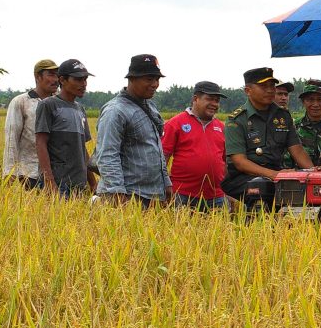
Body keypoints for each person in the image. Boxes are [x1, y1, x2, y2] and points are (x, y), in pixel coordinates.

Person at [222, 67, 313, 205]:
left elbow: (297, 150)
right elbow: (240, 162)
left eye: (272, 86)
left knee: (308, 191)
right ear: (248, 91)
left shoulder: (283, 116)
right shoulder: (236, 120)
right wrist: (275, 175)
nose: (270, 90)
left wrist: (312, 174)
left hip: (276, 174)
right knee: (264, 188)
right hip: (243, 178)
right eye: (264, 86)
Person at [94, 54, 173, 206]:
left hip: (153, 195)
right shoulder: (115, 111)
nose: (155, 84)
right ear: (131, 79)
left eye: (157, 79)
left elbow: (156, 148)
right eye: (149, 79)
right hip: (128, 196)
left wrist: (166, 183)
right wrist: (117, 194)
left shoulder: (150, 106)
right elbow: (107, 155)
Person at [162, 81, 228, 211]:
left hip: (216, 197)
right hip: (182, 195)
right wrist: (165, 187)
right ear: (195, 99)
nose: (214, 104)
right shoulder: (175, 123)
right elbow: (162, 158)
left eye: (217, 100)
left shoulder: (222, 127)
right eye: (209, 99)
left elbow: (226, 161)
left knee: (219, 231)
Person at [34, 59, 96, 197]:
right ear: (62, 80)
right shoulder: (48, 105)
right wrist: (49, 181)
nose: (84, 84)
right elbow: (40, 143)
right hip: (58, 183)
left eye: (85, 79)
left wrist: (92, 183)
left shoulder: (80, 109)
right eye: (78, 79)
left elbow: (82, 149)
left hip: (78, 184)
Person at [2, 59, 59, 188]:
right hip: (29, 173)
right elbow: (11, 139)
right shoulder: (21, 102)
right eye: (51, 74)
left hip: (57, 173)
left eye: (57, 75)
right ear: (38, 76)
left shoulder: (60, 104)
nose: (56, 79)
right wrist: (9, 176)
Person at [284, 80, 321, 168]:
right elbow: (286, 161)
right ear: (303, 102)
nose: (315, 104)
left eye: (320, 99)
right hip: (301, 178)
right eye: (310, 99)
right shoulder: (293, 127)